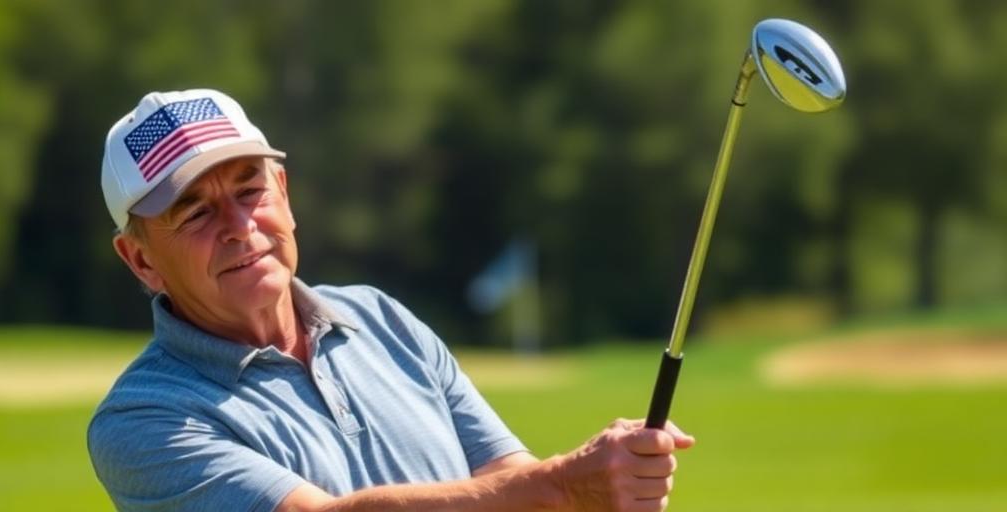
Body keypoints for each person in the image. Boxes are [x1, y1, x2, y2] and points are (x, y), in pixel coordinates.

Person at [88, 89, 695, 512]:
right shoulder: (142, 421)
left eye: (250, 191)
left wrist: (594, 483)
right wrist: (565, 485)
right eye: (195, 212)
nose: (239, 226)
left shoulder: (378, 318)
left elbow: (508, 482)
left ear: (284, 194)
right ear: (140, 259)